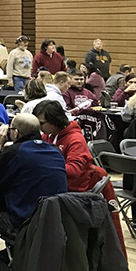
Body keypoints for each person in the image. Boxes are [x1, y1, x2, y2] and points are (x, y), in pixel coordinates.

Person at [33, 100, 126, 249]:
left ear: (55, 121)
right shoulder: (49, 136)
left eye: (42, 123)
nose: (39, 127)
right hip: (61, 190)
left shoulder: (75, 139)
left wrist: (46, 167)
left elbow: (74, 170)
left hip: (77, 192)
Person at [0, 114, 67, 228]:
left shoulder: (14, 152)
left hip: (25, 222)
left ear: (16, 133)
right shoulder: (56, 151)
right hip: (55, 220)